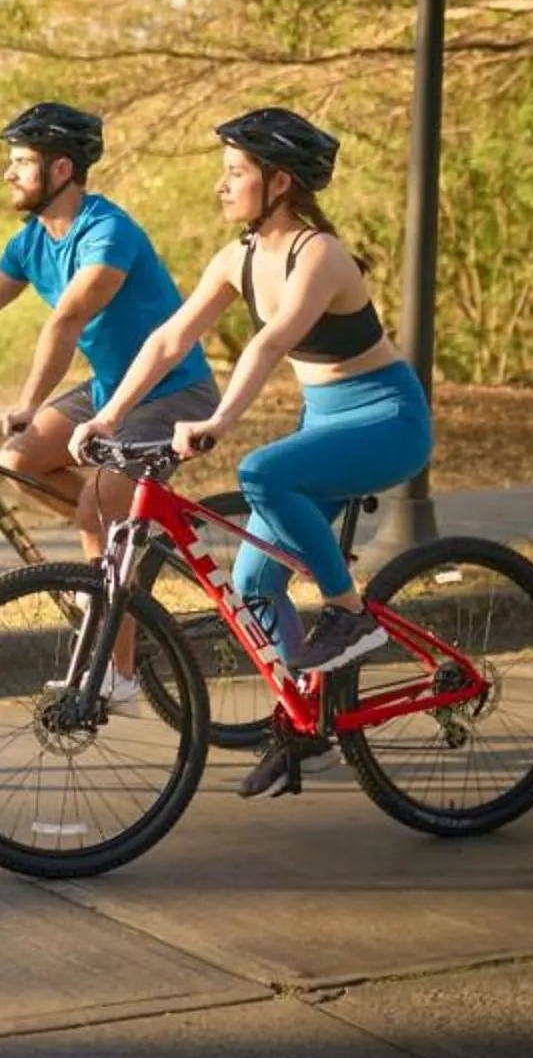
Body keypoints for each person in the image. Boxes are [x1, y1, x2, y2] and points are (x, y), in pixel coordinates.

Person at [74, 107, 433, 799]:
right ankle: (305, 723)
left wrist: (216, 419)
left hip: (387, 420)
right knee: (251, 585)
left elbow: (271, 343)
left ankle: (348, 610)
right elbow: (168, 342)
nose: (223, 185)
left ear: (280, 183)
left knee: (261, 471)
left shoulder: (320, 254)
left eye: (236, 173)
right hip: (326, 424)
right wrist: (110, 415)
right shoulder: (237, 258)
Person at [0, 102, 223, 707]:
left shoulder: (108, 232)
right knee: (23, 457)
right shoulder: (31, 241)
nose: (9, 174)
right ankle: (118, 541)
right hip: (113, 387)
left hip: (172, 392)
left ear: (61, 170)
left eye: (21, 162)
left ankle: (120, 674)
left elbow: (69, 316)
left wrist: (29, 401)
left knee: (95, 514)